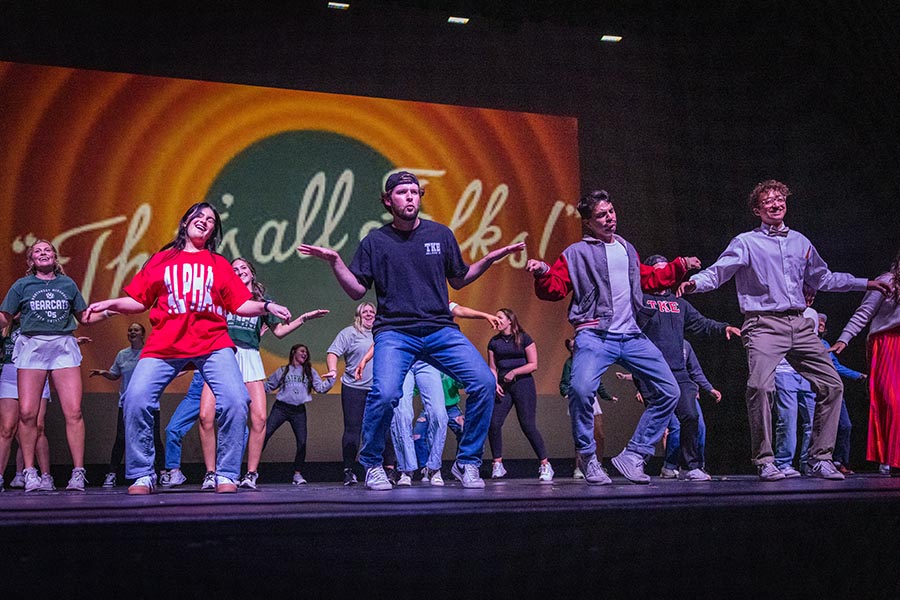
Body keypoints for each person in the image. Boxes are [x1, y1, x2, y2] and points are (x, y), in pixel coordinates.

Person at [300, 170, 524, 490]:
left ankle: (468, 462)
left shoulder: (440, 234)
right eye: (403, 192)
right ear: (389, 200)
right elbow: (355, 291)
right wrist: (335, 261)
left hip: (439, 330)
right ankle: (373, 464)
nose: (410, 197)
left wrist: (488, 258)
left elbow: (458, 278)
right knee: (386, 393)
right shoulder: (376, 241)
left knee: (484, 382)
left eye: (415, 192)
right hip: (396, 332)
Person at [680, 179, 891, 481]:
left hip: (800, 323)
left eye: (780, 199)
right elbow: (719, 271)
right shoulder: (746, 242)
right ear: (757, 209)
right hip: (763, 324)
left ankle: (820, 458)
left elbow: (824, 278)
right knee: (760, 387)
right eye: (769, 201)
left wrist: (865, 283)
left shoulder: (800, 242)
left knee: (832, 385)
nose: (777, 204)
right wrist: (695, 283)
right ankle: (765, 460)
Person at [84, 202, 291, 494]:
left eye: (211, 220)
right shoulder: (161, 260)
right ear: (185, 222)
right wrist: (111, 305)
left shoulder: (218, 264)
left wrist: (267, 306)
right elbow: (140, 300)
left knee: (235, 400)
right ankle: (143, 474)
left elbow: (240, 304)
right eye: (200, 216)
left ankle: (227, 474)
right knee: (136, 398)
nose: (205, 221)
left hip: (213, 343)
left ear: (212, 233)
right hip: (165, 344)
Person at [526, 189, 696, 485]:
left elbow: (648, 279)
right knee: (580, 390)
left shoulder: (627, 249)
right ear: (589, 223)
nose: (610, 218)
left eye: (611, 212)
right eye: (602, 215)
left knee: (670, 391)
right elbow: (555, 288)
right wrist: (541, 271)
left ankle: (634, 454)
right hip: (594, 334)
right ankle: (589, 458)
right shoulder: (576, 254)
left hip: (630, 335)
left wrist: (679, 266)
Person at [196, 257, 327, 491]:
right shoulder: (221, 299)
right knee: (206, 416)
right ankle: (210, 472)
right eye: (234, 269)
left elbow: (280, 332)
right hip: (223, 356)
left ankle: (251, 473)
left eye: (243, 268)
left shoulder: (263, 303)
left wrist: (304, 318)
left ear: (251, 273)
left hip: (250, 357)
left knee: (259, 418)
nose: (239, 271)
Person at [0, 240, 108, 492]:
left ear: (54, 257)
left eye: (47, 250)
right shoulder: (22, 285)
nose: (43, 253)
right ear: (31, 260)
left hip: (62, 346)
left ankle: (78, 473)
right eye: (37, 251)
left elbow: (84, 317)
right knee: (27, 413)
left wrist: (109, 311)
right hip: (32, 345)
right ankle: (29, 472)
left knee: (74, 411)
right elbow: (5, 317)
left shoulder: (67, 284)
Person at [634, 253, 740, 480]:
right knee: (659, 420)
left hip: (679, 372)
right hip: (652, 372)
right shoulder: (640, 300)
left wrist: (724, 328)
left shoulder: (679, 304)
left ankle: (691, 467)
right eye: (659, 269)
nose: (664, 273)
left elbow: (701, 323)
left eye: (667, 268)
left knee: (691, 417)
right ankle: (637, 460)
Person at [830, 249, 900, 475]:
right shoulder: (887, 281)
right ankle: (889, 456)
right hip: (887, 343)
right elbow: (864, 313)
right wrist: (844, 339)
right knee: (891, 400)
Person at [90, 322, 164, 488]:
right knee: (122, 438)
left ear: (142, 334)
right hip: (126, 403)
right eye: (130, 330)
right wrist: (104, 374)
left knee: (154, 438)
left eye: (136, 330)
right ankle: (112, 474)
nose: (132, 332)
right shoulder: (122, 354)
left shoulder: (149, 353)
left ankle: (162, 473)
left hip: (150, 404)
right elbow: (115, 375)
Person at [487, 307, 553, 482]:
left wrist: (514, 372)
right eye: (496, 318)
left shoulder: (524, 338)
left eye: (500, 317)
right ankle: (497, 464)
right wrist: (494, 383)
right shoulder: (494, 342)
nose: (497, 320)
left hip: (523, 384)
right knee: (493, 423)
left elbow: (533, 364)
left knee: (528, 425)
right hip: (503, 387)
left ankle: (545, 465)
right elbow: (493, 367)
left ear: (510, 320)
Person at [262, 343, 335, 484]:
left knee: (302, 442)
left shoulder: (309, 372)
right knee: (264, 435)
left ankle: (297, 474)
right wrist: (252, 386)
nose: (304, 354)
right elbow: (268, 386)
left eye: (306, 352)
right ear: (294, 352)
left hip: (298, 411)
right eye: (302, 351)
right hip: (281, 408)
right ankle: (252, 471)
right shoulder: (283, 370)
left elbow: (320, 388)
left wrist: (331, 379)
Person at [325, 302, 378, 486]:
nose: (369, 314)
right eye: (365, 311)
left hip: (377, 389)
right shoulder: (350, 333)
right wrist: (332, 370)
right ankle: (348, 470)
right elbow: (333, 352)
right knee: (353, 430)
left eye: (372, 311)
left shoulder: (382, 333)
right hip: (354, 388)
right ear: (359, 315)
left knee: (381, 430)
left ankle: (386, 469)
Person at [1, 319, 53, 491]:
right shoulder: (5, 327)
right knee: (7, 428)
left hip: (35, 371)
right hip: (10, 374)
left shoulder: (38, 320)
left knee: (37, 426)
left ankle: (45, 476)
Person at [559, 337, 617, 479]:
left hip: (592, 401)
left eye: (576, 346)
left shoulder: (590, 361)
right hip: (578, 400)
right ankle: (579, 467)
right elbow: (564, 383)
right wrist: (567, 393)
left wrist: (607, 396)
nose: (575, 349)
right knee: (582, 434)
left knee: (599, 435)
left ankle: (598, 464)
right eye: (572, 347)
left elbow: (598, 382)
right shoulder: (569, 363)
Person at [816, 313, 867, 475]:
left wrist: (859, 376)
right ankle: (811, 462)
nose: (821, 324)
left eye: (823, 322)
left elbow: (836, 366)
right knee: (812, 427)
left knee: (845, 425)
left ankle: (838, 461)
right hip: (814, 390)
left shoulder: (824, 343)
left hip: (834, 390)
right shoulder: (805, 343)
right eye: (818, 321)